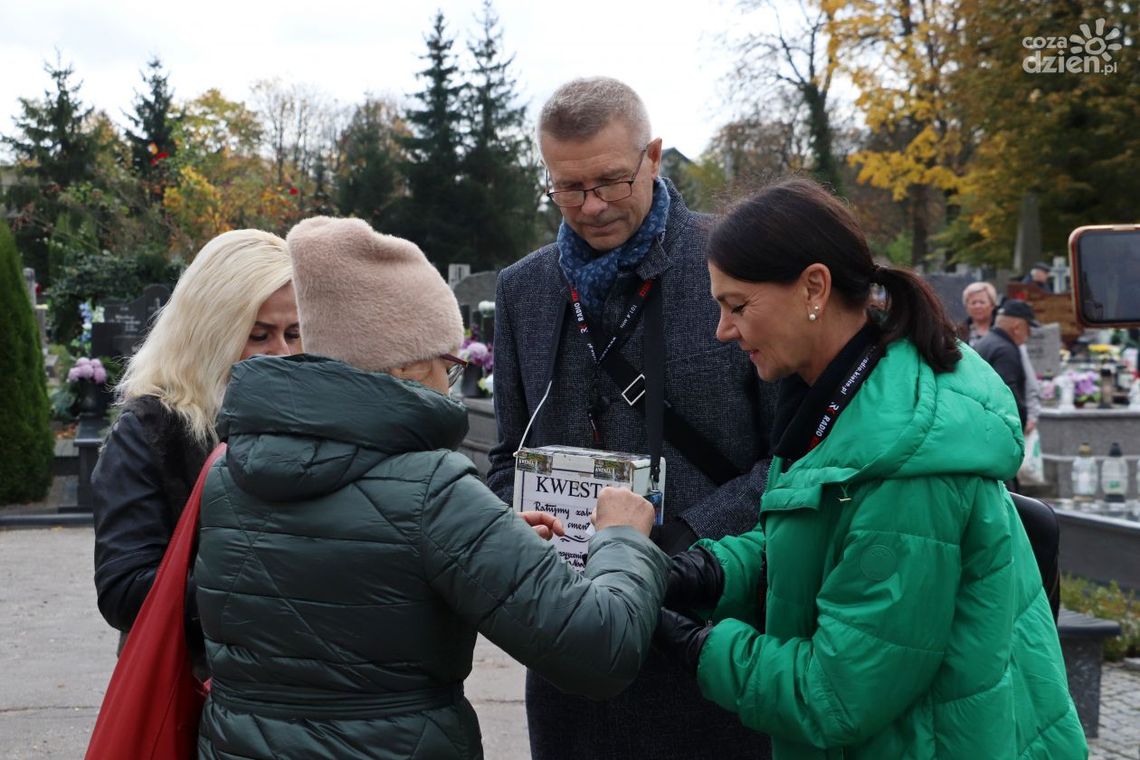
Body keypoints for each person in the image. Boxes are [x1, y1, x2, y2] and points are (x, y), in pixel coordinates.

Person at [193, 217, 669, 760]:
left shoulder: (226, 473)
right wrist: (622, 539)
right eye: (450, 362)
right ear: (408, 368)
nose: (453, 380)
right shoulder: (435, 491)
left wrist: (485, 540)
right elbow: (599, 650)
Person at [648, 177, 1085, 759]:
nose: (723, 330)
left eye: (737, 305)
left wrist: (695, 646)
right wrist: (704, 571)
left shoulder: (903, 461)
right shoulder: (860, 397)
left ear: (814, 288)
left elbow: (835, 696)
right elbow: (825, 534)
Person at [488, 76, 776, 759]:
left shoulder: (735, 265)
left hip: (714, 630)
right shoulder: (523, 288)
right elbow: (506, 455)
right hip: (570, 636)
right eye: (568, 188)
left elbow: (787, 464)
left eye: (611, 182)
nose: (590, 207)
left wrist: (675, 551)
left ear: (653, 155)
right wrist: (516, 520)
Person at [92, 229, 299, 676]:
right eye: (260, 335)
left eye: (295, 333)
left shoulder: (319, 420)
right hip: (195, 689)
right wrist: (272, 580)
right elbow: (124, 591)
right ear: (211, 334)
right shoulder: (150, 430)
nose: (283, 353)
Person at [974, 299, 1040, 431]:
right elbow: (1007, 393)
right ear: (1016, 328)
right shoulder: (1005, 351)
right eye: (1028, 328)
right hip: (997, 429)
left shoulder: (985, 342)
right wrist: (1022, 422)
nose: (1030, 334)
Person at [958, 280, 997, 346]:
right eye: (973, 303)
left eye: (982, 302)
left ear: (992, 305)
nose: (977, 306)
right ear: (966, 307)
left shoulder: (1002, 329)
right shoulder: (959, 332)